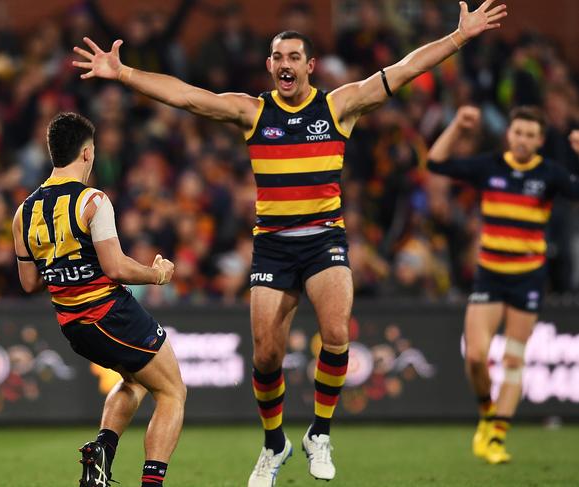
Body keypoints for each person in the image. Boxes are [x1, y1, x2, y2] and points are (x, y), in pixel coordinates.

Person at [73, 2, 507, 484]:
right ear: (269, 65)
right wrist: (124, 72)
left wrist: (459, 38)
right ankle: (275, 443)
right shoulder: (253, 112)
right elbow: (188, 97)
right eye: (278, 56)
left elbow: (403, 70)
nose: (285, 64)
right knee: (265, 356)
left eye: (294, 56)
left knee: (337, 333)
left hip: (325, 241)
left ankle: (319, 432)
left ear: (310, 65)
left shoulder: (339, 105)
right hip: (273, 246)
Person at [11, 112, 186, 487]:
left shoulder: (24, 212)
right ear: (87, 153)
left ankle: (101, 453)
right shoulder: (92, 200)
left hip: (72, 325)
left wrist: (61, 263)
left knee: (135, 382)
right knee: (172, 391)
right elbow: (117, 267)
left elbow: (29, 282)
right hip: (110, 313)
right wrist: (158, 274)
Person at [427, 105, 579, 464]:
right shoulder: (489, 167)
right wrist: (458, 128)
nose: (523, 140)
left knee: (513, 358)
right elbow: (435, 162)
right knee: (477, 357)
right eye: (518, 132)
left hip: (528, 276)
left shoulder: (549, 174)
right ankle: (487, 411)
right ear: (509, 135)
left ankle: (496, 436)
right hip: (490, 275)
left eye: (530, 134)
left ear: (540, 141)